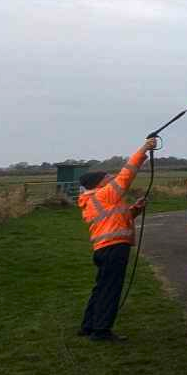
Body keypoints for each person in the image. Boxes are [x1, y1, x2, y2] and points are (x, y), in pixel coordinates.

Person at [77, 139, 154, 342]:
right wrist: (144, 149)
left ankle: (88, 326)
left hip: (103, 249)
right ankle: (101, 331)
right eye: (108, 178)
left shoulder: (95, 199)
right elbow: (127, 174)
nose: (112, 180)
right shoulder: (106, 194)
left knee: (101, 288)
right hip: (114, 250)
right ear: (100, 183)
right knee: (110, 290)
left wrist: (135, 209)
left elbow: (116, 219)